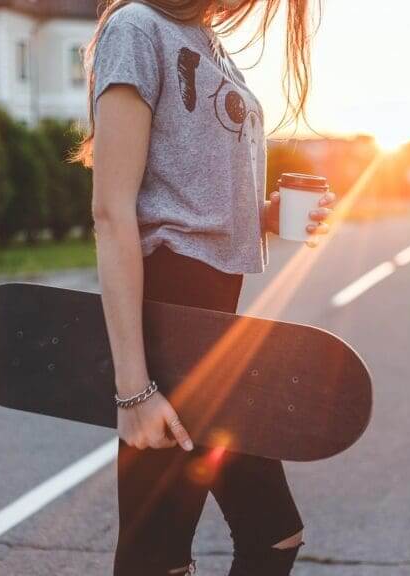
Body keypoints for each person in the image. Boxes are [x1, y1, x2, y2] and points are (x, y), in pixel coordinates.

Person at [74, 0, 333, 574]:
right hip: (171, 320)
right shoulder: (137, 28)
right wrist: (134, 391)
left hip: (213, 329)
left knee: (225, 542)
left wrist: (264, 216)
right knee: (169, 552)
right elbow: (113, 212)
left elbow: (189, 196)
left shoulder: (209, 44)